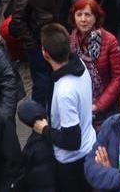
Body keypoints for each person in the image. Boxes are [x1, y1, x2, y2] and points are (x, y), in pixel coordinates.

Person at [30, 23, 96, 192]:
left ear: (45, 54)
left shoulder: (65, 91)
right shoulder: (79, 64)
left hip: (72, 163)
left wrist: (44, 129)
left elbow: (72, 141)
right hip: (89, 149)